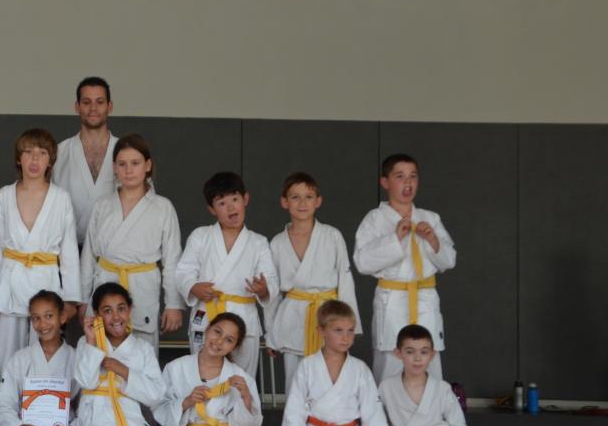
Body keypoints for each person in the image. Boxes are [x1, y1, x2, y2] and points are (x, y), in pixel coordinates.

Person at [0, 128, 80, 378]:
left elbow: (69, 252)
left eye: (42, 153)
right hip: (11, 282)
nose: (34, 160)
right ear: (18, 158)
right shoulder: (4, 195)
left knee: (45, 352)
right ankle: (7, 401)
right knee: (8, 355)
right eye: (28, 152)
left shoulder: (61, 198)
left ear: (50, 161)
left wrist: (70, 299)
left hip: (46, 281)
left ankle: (44, 401)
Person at [354, 154, 457, 382]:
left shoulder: (430, 218)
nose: (407, 183)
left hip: (425, 298)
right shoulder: (375, 219)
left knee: (429, 361)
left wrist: (433, 241)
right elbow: (362, 262)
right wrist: (394, 239)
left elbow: (449, 260)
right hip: (392, 300)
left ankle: (429, 406)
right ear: (385, 182)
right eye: (400, 176)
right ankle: (386, 407)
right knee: (390, 361)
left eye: (413, 176)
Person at [79, 134, 183, 349]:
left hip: (142, 286)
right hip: (105, 282)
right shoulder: (102, 206)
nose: (128, 170)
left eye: (135, 163)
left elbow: (172, 260)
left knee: (142, 352)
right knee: (98, 352)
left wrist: (173, 304)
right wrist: (82, 299)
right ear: (114, 168)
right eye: (122, 164)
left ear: (147, 165)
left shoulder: (163, 207)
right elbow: (88, 257)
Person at [176, 172, 277, 379]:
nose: (230, 207)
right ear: (212, 209)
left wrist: (263, 289)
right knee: (203, 376)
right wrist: (193, 287)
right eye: (222, 203)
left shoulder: (258, 242)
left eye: (235, 199)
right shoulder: (200, 236)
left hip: (243, 318)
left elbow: (270, 279)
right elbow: (183, 271)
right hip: (207, 314)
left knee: (242, 379)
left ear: (245, 199)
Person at [266, 173, 361, 390]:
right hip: (292, 318)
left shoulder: (332, 236)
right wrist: (271, 334)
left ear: (318, 201)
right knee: (294, 382)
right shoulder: (277, 243)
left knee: (332, 379)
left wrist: (347, 327)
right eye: (295, 197)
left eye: (308, 197)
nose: (302, 203)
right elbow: (273, 292)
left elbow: (345, 281)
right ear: (284, 202)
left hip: (329, 316)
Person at [282, 300, 393, 426]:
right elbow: (295, 408)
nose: (346, 338)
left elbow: (372, 409)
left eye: (350, 330)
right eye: (338, 330)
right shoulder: (307, 366)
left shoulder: (359, 368)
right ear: (321, 331)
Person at [74, 283, 173, 426]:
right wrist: (92, 342)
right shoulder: (85, 342)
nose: (116, 317)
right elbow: (85, 381)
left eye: (121, 309)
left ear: (130, 310)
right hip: (96, 420)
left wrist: (124, 371)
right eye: (107, 311)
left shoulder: (143, 348)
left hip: (130, 420)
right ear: (97, 315)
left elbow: (155, 395)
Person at [154, 314, 262, 426]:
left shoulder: (240, 376)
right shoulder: (176, 367)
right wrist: (187, 401)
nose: (219, 341)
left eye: (228, 340)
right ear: (207, 329)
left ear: (234, 346)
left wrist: (246, 397)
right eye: (217, 332)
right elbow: (160, 407)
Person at [379, 325, 478, 426]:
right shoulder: (386, 387)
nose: (417, 358)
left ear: (432, 355)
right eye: (410, 352)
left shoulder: (442, 388)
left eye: (424, 352)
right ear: (398, 353)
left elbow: (457, 424)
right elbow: (377, 422)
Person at [0, 291, 79, 426]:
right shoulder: (20, 359)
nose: (42, 324)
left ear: (62, 317)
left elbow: (86, 404)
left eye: (49, 316)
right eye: (36, 318)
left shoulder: (76, 358)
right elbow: (4, 401)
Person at [52, 76, 117, 246]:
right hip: (68, 246)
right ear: (77, 107)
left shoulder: (126, 153)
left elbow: (145, 201)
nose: (93, 108)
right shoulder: (59, 153)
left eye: (100, 102)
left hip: (114, 249)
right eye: (86, 102)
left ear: (109, 106)